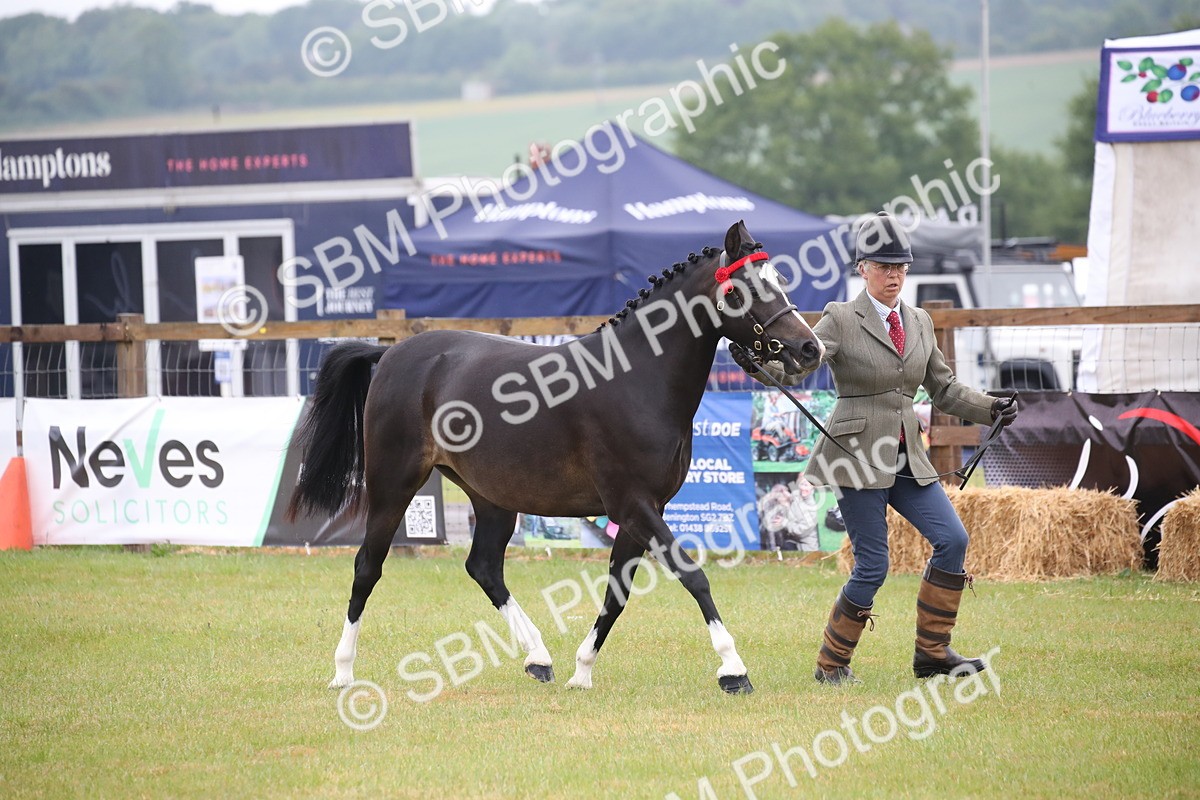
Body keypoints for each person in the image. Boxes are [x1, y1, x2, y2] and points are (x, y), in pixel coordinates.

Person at [731, 211, 1018, 685]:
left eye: (901, 267)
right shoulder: (841, 318)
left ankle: (933, 653)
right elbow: (798, 367)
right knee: (874, 565)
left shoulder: (921, 321)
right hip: (856, 456)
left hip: (907, 457)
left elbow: (945, 391)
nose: (894, 276)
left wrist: (992, 407)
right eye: (884, 267)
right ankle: (832, 664)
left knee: (953, 539)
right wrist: (760, 365)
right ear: (862, 268)